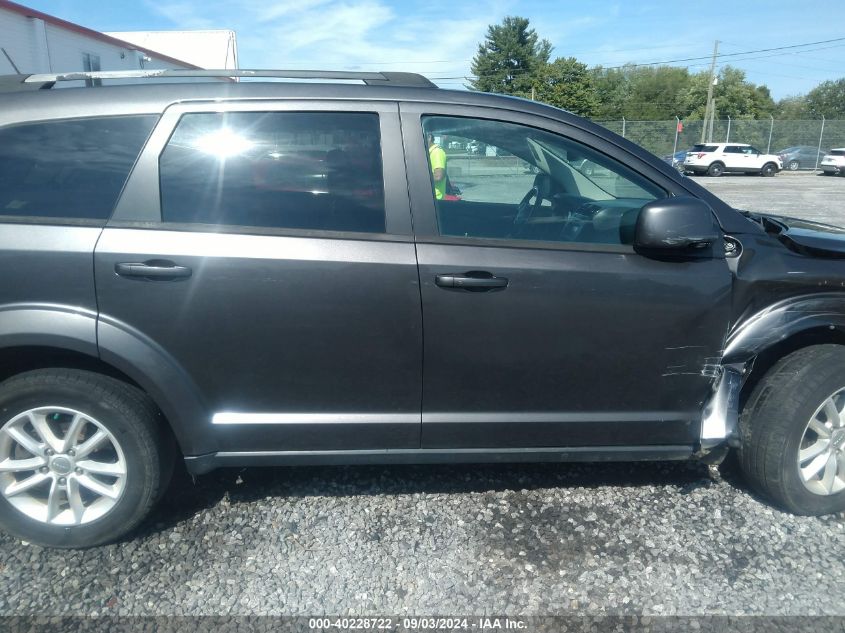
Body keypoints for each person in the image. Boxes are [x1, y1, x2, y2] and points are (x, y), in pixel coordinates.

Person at [427, 133, 448, 200]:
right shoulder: (429, 152)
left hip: (436, 199)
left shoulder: (436, 152)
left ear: (429, 137)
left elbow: (438, 176)